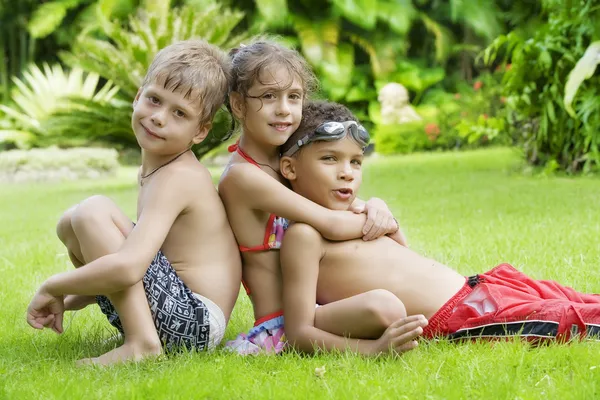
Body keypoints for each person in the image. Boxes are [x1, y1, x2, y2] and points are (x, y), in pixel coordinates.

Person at [279, 100, 600, 355]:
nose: (347, 173)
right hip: (464, 316)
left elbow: (401, 251)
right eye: (330, 159)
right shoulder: (304, 236)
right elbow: (299, 331)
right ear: (290, 168)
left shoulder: (357, 209)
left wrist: (379, 209)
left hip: (482, 285)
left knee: (578, 299)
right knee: (567, 318)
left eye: (355, 162)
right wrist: (371, 349)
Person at [25, 40, 242, 365]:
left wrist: (53, 285)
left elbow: (129, 267)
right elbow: (135, 263)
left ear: (200, 131)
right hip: (179, 313)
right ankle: (139, 333)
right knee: (71, 221)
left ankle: (142, 343)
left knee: (93, 212)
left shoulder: (178, 177)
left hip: (195, 322)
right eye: (155, 100)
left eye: (179, 113)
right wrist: (71, 298)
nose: (158, 118)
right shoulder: (157, 168)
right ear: (138, 96)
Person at [219, 40, 406, 355]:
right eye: (268, 96)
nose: (284, 109)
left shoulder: (289, 167)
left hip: (323, 306)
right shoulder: (243, 177)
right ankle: (370, 348)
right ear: (238, 105)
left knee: (398, 293)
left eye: (293, 97)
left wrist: (375, 206)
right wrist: (379, 221)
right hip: (282, 325)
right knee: (385, 306)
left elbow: (343, 206)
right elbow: (332, 224)